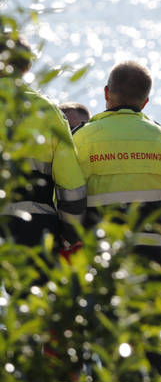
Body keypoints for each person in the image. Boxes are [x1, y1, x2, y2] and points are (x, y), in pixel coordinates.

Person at [73, 61, 161, 376]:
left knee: (103, 346)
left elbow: (68, 196)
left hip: (99, 258)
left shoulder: (82, 138)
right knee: (151, 346)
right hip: (150, 255)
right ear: (145, 101)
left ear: (107, 94)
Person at [0, 35, 86, 262]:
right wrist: (70, 233)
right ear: (27, 67)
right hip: (34, 228)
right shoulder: (49, 112)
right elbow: (72, 187)